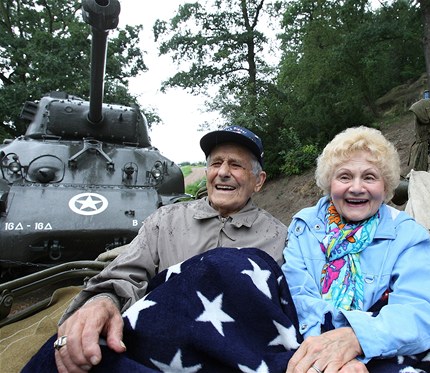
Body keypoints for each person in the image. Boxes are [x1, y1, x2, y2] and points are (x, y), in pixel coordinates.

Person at [51, 125, 288, 373]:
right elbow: (125, 275)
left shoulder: (279, 238)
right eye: (216, 163)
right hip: (157, 353)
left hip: (238, 360)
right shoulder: (165, 221)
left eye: (236, 165)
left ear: (259, 181)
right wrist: (103, 301)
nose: (223, 173)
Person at [281, 126, 430, 372]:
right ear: (330, 183)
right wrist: (331, 350)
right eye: (345, 176)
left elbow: (423, 312)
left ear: (386, 186)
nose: (357, 188)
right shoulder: (304, 226)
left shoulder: (408, 235)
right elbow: (297, 295)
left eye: (369, 177)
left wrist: (357, 339)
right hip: (308, 342)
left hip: (378, 352)